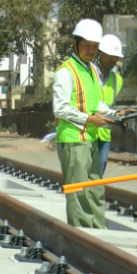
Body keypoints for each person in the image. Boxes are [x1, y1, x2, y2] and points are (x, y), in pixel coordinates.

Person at [53, 19, 115, 228]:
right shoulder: (66, 71)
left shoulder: (90, 71)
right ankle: (80, 238)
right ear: (75, 44)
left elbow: (97, 102)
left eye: (95, 46)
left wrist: (115, 114)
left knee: (96, 191)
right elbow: (59, 108)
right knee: (78, 193)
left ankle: (99, 234)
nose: (91, 50)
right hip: (74, 141)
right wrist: (90, 119)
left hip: (90, 140)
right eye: (87, 45)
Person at [93, 34, 129, 176]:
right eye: (110, 55)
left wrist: (117, 116)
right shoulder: (87, 74)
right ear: (100, 53)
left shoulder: (117, 80)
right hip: (87, 134)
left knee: (97, 178)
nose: (114, 59)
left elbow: (108, 106)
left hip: (104, 135)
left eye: (116, 56)